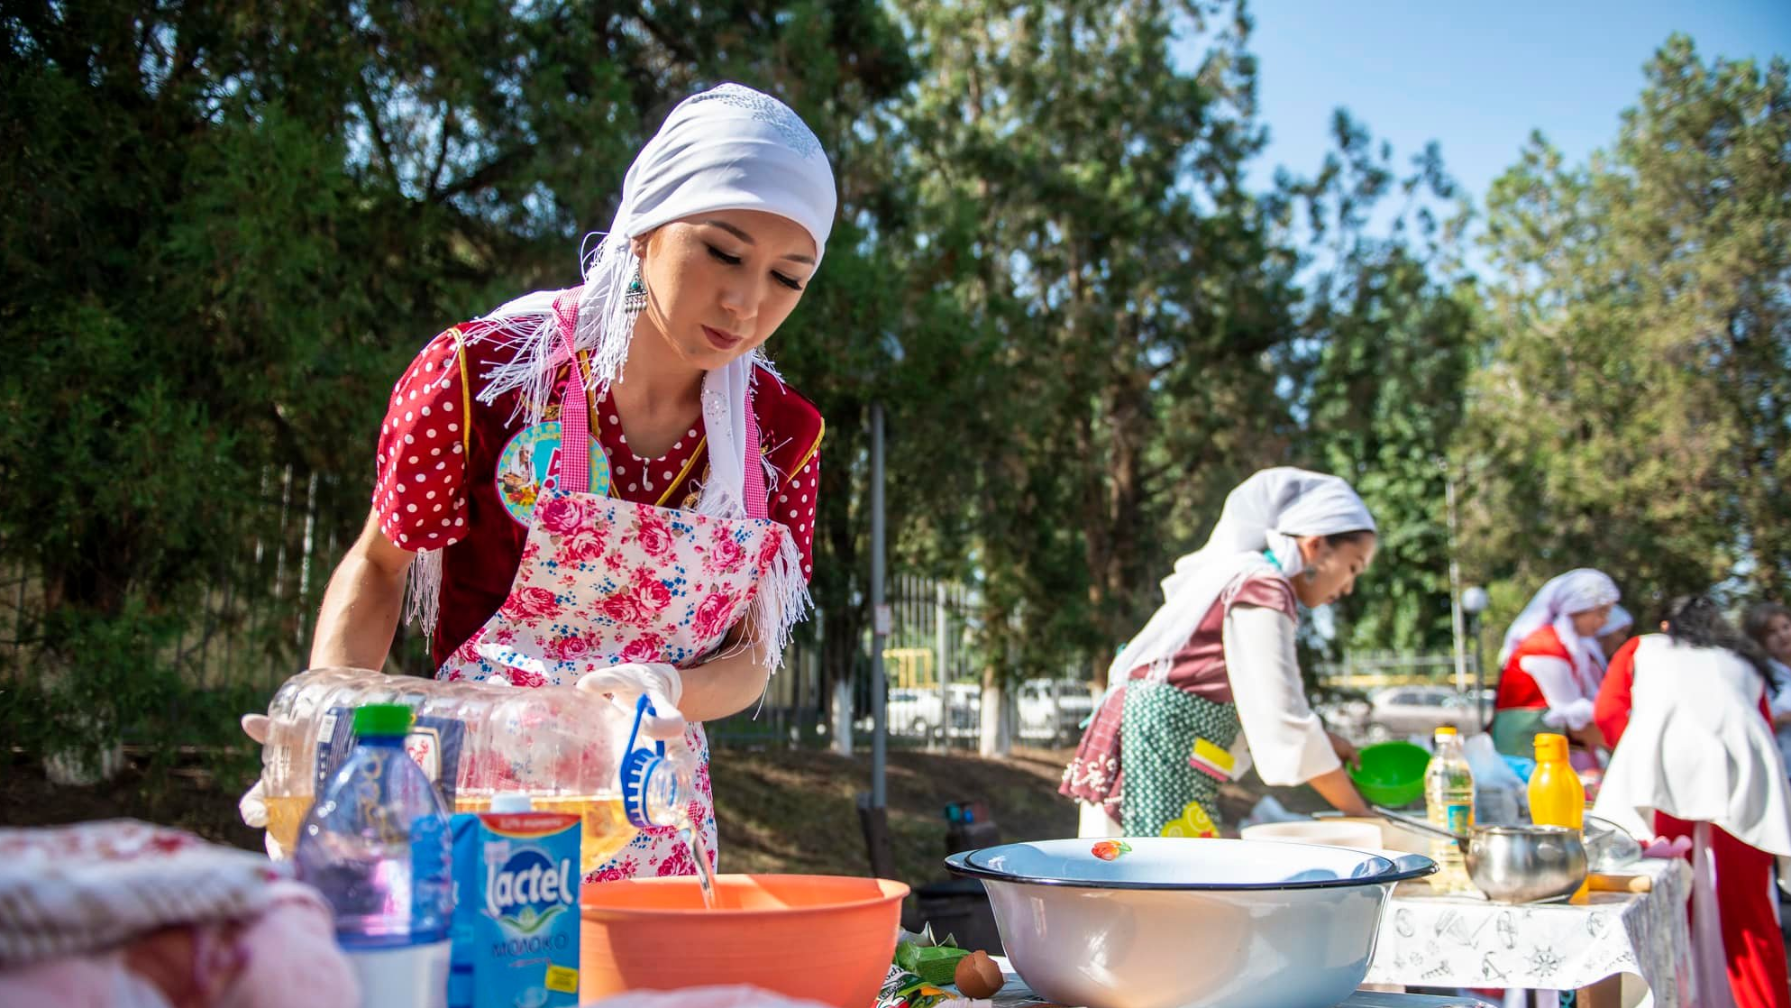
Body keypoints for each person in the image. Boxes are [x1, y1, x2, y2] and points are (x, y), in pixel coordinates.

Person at [246, 84, 834, 881]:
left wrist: (660, 688)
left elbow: (753, 661)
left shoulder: (783, 437)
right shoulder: (482, 375)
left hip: (654, 830)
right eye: (723, 252)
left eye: (787, 278)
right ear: (644, 226)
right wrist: (326, 742)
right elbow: (381, 564)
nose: (745, 301)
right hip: (466, 811)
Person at [1060, 467, 1377, 839]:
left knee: (1139, 887)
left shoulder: (1246, 579)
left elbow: (1257, 698)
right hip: (1149, 766)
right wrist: (1365, 817)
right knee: (1149, 888)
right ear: (1314, 544)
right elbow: (1283, 721)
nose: (1349, 587)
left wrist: (1324, 741)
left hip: (1160, 765)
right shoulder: (1261, 588)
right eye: (1352, 567)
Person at [1593, 596, 1791, 1008]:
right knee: (1748, 912)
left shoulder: (1641, 647)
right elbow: (1764, 724)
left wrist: (1631, 754)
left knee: (1662, 899)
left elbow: (1607, 712)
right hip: (1741, 776)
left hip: (1661, 770)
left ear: (1667, 626)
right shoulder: (1742, 660)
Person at [1489, 569, 1618, 760]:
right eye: (1601, 612)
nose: (1604, 621)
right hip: (1522, 755)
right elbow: (1573, 716)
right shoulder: (1545, 646)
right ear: (1577, 608)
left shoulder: (1568, 648)